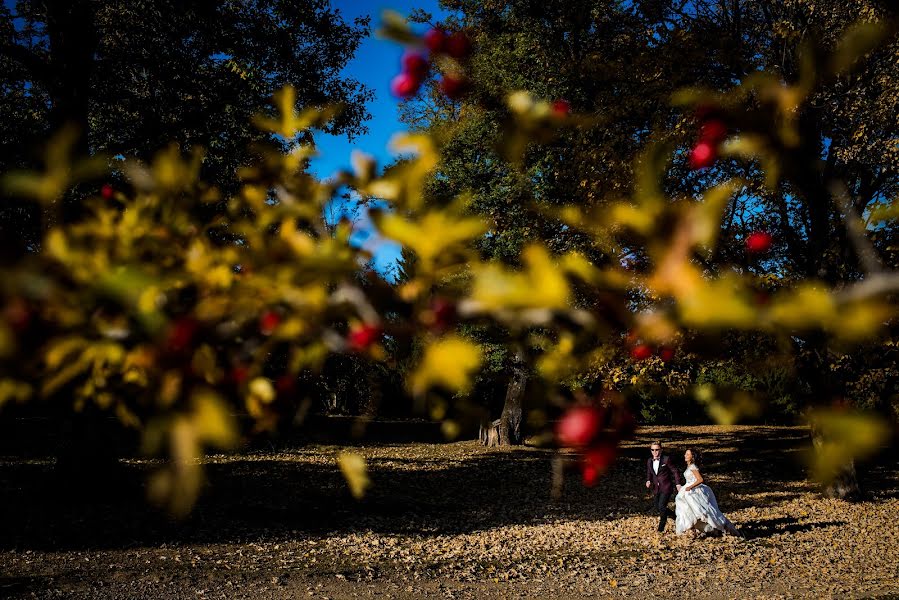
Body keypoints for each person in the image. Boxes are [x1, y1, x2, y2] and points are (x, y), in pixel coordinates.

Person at [674, 448, 740, 537]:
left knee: (702, 510)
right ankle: (691, 528)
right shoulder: (689, 466)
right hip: (687, 489)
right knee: (686, 508)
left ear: (692, 456)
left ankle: (720, 526)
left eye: (687, 454)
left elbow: (700, 479)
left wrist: (690, 487)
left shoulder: (693, 467)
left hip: (694, 491)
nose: (685, 456)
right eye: (685, 454)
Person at [645, 441, 683, 532]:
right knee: (658, 507)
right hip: (656, 488)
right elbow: (649, 472)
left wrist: (678, 483)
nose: (655, 452)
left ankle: (660, 528)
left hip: (666, 487)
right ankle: (675, 516)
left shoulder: (666, 459)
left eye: (657, 450)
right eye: (652, 450)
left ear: (661, 450)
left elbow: (675, 471)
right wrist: (648, 480)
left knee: (662, 506)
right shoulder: (650, 461)